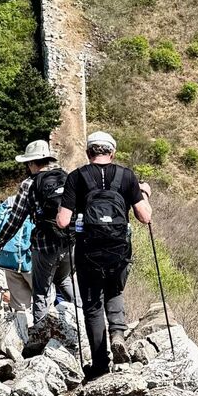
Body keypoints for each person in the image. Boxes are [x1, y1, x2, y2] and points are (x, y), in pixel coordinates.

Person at [56, 131, 152, 378]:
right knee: (114, 291)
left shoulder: (77, 177)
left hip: (88, 252)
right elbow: (145, 217)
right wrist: (144, 194)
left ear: (89, 153)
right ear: (112, 153)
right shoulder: (127, 176)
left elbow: (63, 221)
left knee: (92, 306)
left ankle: (99, 364)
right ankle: (118, 335)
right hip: (119, 250)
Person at [0, 140, 74, 324]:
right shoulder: (65, 177)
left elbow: (15, 220)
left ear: (30, 163)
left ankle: (41, 336)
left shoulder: (29, 184)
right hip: (69, 242)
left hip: (45, 245)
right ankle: (81, 319)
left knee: (41, 291)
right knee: (65, 280)